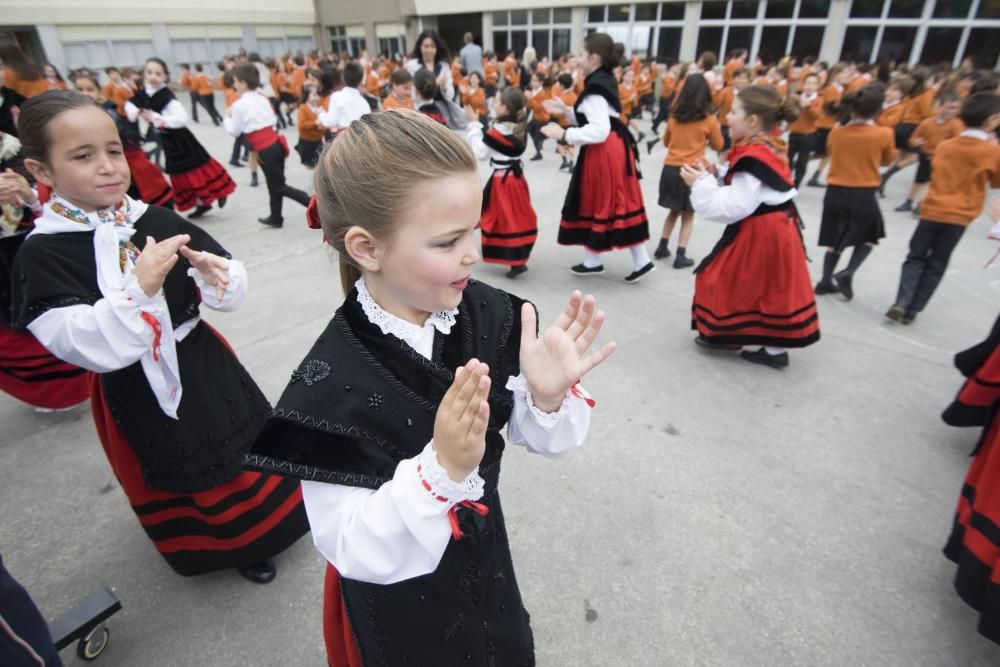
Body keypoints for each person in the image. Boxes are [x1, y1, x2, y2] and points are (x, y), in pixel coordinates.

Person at [244, 108, 614, 666]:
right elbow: (349, 544)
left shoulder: (492, 315)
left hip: (487, 565)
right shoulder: (328, 384)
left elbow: (546, 438)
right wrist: (439, 471)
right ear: (366, 248)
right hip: (398, 603)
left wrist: (544, 398)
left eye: (475, 229)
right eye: (447, 242)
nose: (474, 253)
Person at [12, 90, 309, 582]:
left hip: (202, 360)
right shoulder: (42, 254)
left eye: (113, 150)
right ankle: (225, 545)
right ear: (41, 171)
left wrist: (220, 277)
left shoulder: (153, 218)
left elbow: (223, 274)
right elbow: (72, 339)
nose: (108, 166)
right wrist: (140, 290)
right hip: (133, 384)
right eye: (83, 156)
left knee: (242, 442)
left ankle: (265, 529)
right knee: (177, 460)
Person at [681, 85, 818, 369]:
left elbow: (733, 206)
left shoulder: (754, 153)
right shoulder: (766, 143)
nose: (727, 116)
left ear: (753, 120)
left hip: (764, 231)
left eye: (734, 112)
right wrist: (716, 172)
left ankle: (738, 337)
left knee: (726, 278)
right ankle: (766, 346)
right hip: (772, 227)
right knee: (766, 285)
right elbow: (753, 184)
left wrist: (701, 183)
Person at [541, 33, 653, 283]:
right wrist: (568, 111)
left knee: (607, 201)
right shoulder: (602, 80)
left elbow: (599, 128)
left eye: (582, 54)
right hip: (611, 149)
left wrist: (563, 132)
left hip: (605, 151)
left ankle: (636, 260)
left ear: (594, 57)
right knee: (608, 201)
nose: (578, 59)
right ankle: (599, 260)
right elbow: (601, 118)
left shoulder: (595, 87)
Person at [886, 93, 1000, 323]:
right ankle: (913, 309)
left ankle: (902, 300)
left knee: (915, 257)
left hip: (932, 209)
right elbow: (996, 182)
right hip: (960, 215)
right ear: (991, 120)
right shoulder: (992, 152)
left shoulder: (946, 146)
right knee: (937, 262)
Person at [814, 83, 896, 299]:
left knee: (834, 238)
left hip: (835, 190)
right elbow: (888, 159)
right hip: (864, 191)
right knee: (870, 235)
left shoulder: (837, 132)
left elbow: (831, 151)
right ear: (878, 109)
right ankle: (848, 272)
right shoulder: (884, 133)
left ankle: (825, 280)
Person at [125, 58, 235, 219]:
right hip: (167, 141)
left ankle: (215, 194)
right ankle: (202, 203)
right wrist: (133, 112)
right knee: (180, 174)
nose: (153, 76)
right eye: (149, 72)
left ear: (165, 77)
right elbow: (130, 105)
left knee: (195, 169)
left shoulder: (166, 95)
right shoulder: (143, 93)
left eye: (157, 73)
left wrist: (156, 117)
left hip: (181, 139)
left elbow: (182, 118)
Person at [225, 63, 311, 228]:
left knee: (278, 186)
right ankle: (276, 216)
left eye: (236, 81)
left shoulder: (239, 105)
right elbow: (272, 119)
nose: (234, 84)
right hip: (275, 144)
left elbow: (235, 131)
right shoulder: (261, 96)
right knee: (275, 183)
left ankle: (315, 205)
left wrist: (226, 117)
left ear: (242, 82)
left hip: (265, 149)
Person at [73, 71, 174, 210]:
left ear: (99, 92)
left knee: (144, 187)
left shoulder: (108, 111)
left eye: (90, 89)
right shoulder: (73, 118)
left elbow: (124, 131)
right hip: (99, 168)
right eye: (80, 89)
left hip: (126, 158)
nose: (85, 93)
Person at [464, 87, 537, 277]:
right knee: (517, 218)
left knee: (501, 219)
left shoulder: (498, 131)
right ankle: (518, 259)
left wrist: (473, 125)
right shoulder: (520, 128)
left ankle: (515, 259)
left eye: (496, 102)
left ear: (504, 108)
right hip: (517, 179)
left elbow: (481, 152)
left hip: (503, 182)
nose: (494, 104)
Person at [654, 74, 724, 268]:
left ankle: (662, 245)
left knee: (673, 210)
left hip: (670, 168)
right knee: (688, 214)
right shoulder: (709, 120)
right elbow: (719, 144)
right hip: (691, 170)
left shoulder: (674, 117)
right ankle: (681, 254)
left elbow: (667, 142)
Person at [893, 92, 963, 214]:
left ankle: (922, 204)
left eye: (956, 108)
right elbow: (914, 138)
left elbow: (957, 142)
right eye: (949, 107)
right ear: (939, 107)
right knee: (919, 179)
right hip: (925, 155)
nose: (951, 111)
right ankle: (909, 201)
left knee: (932, 183)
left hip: (942, 158)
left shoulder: (956, 125)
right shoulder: (927, 123)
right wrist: (915, 142)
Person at [806, 63, 851, 187]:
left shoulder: (840, 89)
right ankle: (798, 165)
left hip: (830, 125)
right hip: (825, 125)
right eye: (845, 73)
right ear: (836, 75)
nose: (848, 76)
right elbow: (831, 109)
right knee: (821, 152)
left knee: (827, 153)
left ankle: (815, 175)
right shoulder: (832, 89)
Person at [318, 62, 371, 136]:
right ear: (361, 81)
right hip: (360, 137)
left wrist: (321, 114)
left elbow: (332, 121)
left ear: (343, 77)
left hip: (343, 138)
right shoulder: (364, 102)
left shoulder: (336, 96)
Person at [786, 73, 820, 188]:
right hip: (794, 133)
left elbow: (817, 116)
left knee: (802, 162)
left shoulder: (818, 100)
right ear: (803, 84)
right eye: (808, 83)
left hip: (808, 135)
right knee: (788, 159)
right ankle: (786, 181)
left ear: (817, 86)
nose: (810, 86)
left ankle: (796, 185)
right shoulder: (797, 97)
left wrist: (808, 106)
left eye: (813, 83)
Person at [525, 72, 553, 160]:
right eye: (532, 80)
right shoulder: (534, 92)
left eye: (535, 80)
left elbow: (538, 108)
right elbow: (529, 106)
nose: (532, 82)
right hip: (535, 118)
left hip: (542, 118)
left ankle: (539, 149)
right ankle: (538, 151)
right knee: (530, 131)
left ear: (541, 82)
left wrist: (530, 98)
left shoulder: (543, 93)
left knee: (534, 133)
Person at [295, 85, 324, 168]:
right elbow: (302, 125)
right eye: (314, 95)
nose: (317, 97)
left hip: (318, 140)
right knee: (310, 164)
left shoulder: (319, 107)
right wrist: (315, 122)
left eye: (318, 95)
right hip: (307, 141)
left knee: (319, 163)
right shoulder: (303, 108)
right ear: (307, 96)